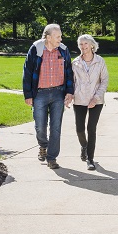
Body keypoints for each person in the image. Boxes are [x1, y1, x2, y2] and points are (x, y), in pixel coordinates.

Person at [22, 24, 74, 169]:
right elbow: (27, 73)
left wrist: (69, 92)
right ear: (49, 37)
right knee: (40, 126)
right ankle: (43, 146)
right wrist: (28, 94)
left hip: (58, 93)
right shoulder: (36, 49)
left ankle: (52, 157)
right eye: (58, 36)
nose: (60, 39)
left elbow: (69, 72)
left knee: (56, 127)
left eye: (60, 36)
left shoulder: (63, 50)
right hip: (40, 94)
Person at [71, 34, 109, 170]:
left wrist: (96, 98)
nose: (83, 47)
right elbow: (71, 82)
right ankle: (84, 146)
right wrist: (70, 95)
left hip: (96, 101)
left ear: (92, 45)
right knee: (79, 129)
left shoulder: (100, 61)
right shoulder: (75, 62)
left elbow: (104, 81)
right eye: (81, 44)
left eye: (85, 44)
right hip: (80, 99)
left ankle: (90, 159)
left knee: (91, 129)